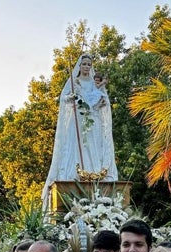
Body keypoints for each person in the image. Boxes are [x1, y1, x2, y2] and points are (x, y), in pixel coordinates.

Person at [42, 54, 118, 209]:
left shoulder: (95, 83)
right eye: (84, 64)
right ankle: (74, 176)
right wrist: (71, 98)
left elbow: (104, 100)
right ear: (80, 65)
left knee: (93, 146)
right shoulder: (74, 82)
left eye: (89, 64)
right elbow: (64, 99)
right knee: (76, 148)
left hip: (93, 121)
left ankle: (94, 175)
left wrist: (102, 102)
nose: (86, 67)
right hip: (77, 120)